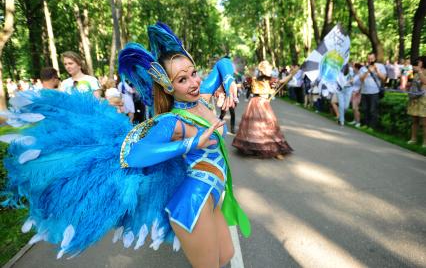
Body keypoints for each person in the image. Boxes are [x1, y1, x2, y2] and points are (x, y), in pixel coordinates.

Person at [0, 22, 250, 267]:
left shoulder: (203, 99)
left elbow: (222, 64)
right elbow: (133, 153)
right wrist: (191, 142)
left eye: (193, 72)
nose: (194, 82)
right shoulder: (173, 122)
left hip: (213, 194)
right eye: (182, 79)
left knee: (226, 254)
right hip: (193, 202)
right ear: (168, 86)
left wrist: (228, 80)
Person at [232, 60, 294, 159]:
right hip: (255, 103)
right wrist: (229, 85)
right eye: (268, 68)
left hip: (264, 103)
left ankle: (274, 149)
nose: (270, 70)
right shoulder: (253, 79)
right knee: (255, 126)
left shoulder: (270, 80)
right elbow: (241, 85)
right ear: (263, 70)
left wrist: (291, 75)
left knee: (268, 125)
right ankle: (256, 148)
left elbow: (281, 81)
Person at [359, 52, 387, 130]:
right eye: (369, 59)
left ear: (375, 59)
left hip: (374, 92)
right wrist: (368, 71)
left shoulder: (380, 66)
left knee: (372, 110)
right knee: (365, 109)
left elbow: (383, 78)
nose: (370, 60)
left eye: (372, 59)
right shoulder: (363, 68)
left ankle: (372, 126)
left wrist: (376, 70)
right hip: (364, 91)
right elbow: (361, 79)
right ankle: (366, 124)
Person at [407, 56, 426, 147]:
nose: (417, 63)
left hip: (424, 99)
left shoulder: (422, 72)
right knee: (414, 120)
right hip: (415, 99)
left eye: (419, 61)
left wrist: (420, 71)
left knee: (424, 122)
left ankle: (424, 142)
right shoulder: (416, 73)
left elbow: (425, 82)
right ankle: (413, 139)